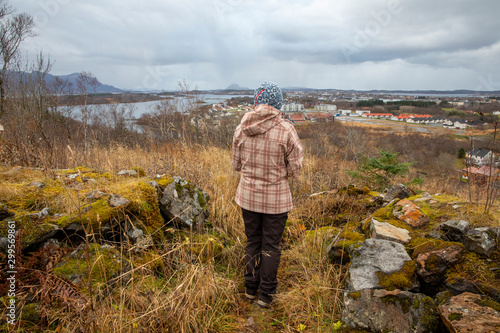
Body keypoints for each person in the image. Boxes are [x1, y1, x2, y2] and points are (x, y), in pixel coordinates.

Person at [231, 81, 304, 308]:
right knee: (271, 246)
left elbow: (236, 164)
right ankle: (266, 295)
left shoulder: (242, 127)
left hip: (248, 197)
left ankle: (250, 289)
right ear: (277, 103)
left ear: (257, 101)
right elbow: (295, 169)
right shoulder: (286, 129)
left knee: (253, 241)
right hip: (276, 200)